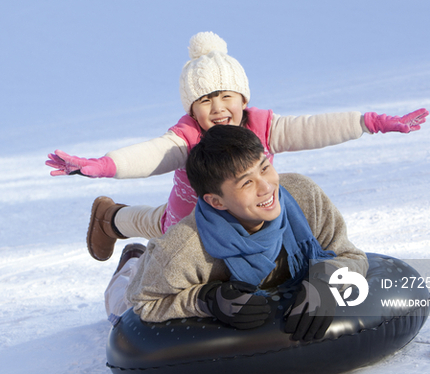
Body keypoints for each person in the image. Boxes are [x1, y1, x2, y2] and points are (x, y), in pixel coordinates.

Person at [46, 31, 428, 261]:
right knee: (164, 228)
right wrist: (103, 165)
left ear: (242, 98)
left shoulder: (264, 127)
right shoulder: (188, 137)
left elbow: (315, 127)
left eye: (226, 96)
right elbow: (151, 155)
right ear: (193, 109)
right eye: (205, 101)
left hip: (245, 206)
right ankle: (110, 219)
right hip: (195, 211)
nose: (218, 108)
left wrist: (372, 123)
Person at [106, 125, 368, 342]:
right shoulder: (184, 249)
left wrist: (327, 280)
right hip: (150, 280)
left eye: (264, 168)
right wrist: (206, 299)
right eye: (246, 183)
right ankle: (130, 264)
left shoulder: (303, 195)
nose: (266, 187)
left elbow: (349, 253)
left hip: (169, 270)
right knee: (121, 304)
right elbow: (143, 302)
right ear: (216, 201)